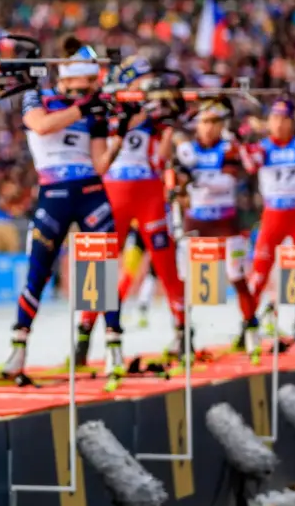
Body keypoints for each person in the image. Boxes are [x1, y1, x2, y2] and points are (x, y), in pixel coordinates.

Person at [0, 41, 122, 386]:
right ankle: (18, 349)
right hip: (54, 193)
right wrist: (84, 108)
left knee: (102, 272)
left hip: (91, 192)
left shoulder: (93, 108)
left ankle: (113, 348)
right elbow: (41, 125)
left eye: (93, 84)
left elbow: (99, 164)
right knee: (38, 272)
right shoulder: (37, 96)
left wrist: (117, 137)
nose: (91, 89)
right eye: (87, 82)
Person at [76, 58, 185, 362]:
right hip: (114, 193)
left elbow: (161, 159)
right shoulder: (109, 106)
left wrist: (167, 126)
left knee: (166, 266)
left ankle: (182, 331)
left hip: (148, 193)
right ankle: (84, 336)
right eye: (144, 80)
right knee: (101, 267)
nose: (149, 86)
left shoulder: (154, 113)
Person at [172, 99, 256, 359]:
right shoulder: (187, 149)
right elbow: (178, 184)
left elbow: (227, 182)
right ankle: (183, 334)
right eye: (205, 122)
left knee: (237, 277)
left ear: (221, 125)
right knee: (186, 280)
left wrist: (197, 178)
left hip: (226, 223)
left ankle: (251, 330)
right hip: (196, 222)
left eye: (214, 123)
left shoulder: (228, 147)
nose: (209, 128)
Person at [244, 99, 295, 336]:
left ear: (292, 122)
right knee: (259, 271)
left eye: (283, 119)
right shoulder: (263, 147)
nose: (279, 124)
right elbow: (250, 164)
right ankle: (248, 322)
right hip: (273, 216)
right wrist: (246, 138)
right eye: (274, 119)